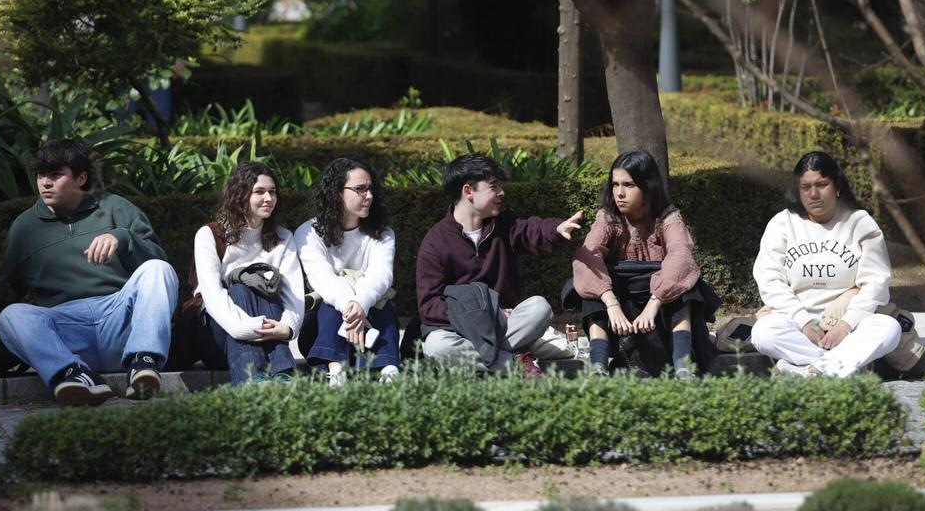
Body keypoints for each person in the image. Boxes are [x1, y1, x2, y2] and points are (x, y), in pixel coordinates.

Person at [0, 139, 178, 405]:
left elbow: (160, 269)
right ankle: (73, 375)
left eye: (56, 175)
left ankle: (143, 364)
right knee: (12, 314)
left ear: (81, 178)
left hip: (119, 323)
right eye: (40, 175)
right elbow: (0, 295)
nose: (45, 183)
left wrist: (123, 238)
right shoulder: (25, 228)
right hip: (67, 333)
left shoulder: (117, 208)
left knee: (158, 269)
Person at [415, 153, 583, 377]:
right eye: (493, 186)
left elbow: (532, 230)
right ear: (468, 191)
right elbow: (429, 306)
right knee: (437, 346)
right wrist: (487, 313)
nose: (501, 193)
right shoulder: (435, 243)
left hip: (507, 325)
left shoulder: (503, 226)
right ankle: (516, 362)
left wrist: (556, 229)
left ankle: (498, 358)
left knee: (539, 308)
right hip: (460, 332)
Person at [751, 151, 901, 377]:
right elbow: (769, 279)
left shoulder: (860, 223)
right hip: (797, 323)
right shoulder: (782, 223)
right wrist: (804, 322)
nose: (814, 194)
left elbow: (876, 283)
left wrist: (845, 325)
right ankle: (840, 366)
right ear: (797, 190)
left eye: (822, 184)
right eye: (805, 187)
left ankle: (804, 371)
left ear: (837, 186)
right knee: (763, 332)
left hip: (849, 323)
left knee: (889, 328)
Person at [571, 150, 719, 378]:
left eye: (629, 185)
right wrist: (610, 302)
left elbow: (681, 256)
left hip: (658, 304)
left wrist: (655, 302)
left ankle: (683, 367)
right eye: (615, 184)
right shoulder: (608, 218)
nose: (619, 193)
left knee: (686, 287)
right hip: (622, 299)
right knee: (589, 286)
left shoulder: (668, 218)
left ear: (647, 186)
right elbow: (588, 256)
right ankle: (598, 365)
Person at [192, 161, 305, 384]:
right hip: (218, 337)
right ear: (240, 194)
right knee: (242, 290)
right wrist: (250, 327)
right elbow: (213, 298)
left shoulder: (283, 238)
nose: (268, 198)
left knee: (268, 287)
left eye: (272, 192)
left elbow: (294, 294)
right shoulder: (210, 235)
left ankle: (280, 374)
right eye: (259, 192)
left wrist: (288, 327)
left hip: (270, 335)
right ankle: (255, 377)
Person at [295, 158, 401, 385]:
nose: (369, 196)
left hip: (371, 328)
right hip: (320, 335)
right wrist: (352, 308)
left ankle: (389, 370)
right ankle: (337, 371)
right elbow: (323, 279)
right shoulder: (309, 233)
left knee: (381, 301)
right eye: (360, 189)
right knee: (331, 301)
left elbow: (381, 276)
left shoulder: (382, 233)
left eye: (371, 189)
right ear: (336, 193)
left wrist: (361, 305)